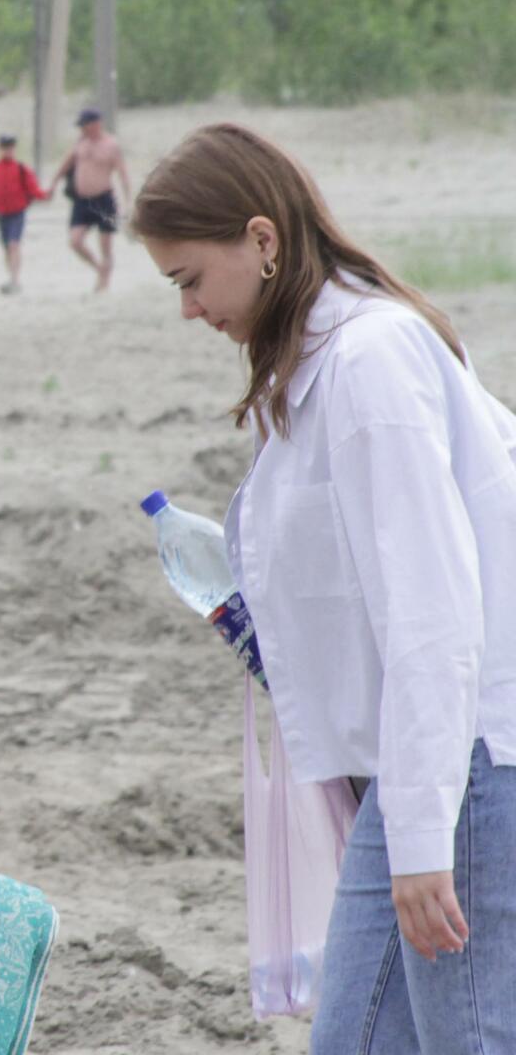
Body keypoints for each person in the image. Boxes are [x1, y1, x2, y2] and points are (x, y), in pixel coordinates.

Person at [132, 122, 516, 1054]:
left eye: (190, 279)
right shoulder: (326, 362)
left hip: (464, 762)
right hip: (420, 766)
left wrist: (421, 836)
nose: (188, 308)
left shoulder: (370, 361)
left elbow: (433, 611)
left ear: (262, 240)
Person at [51, 107, 132, 292]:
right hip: (82, 201)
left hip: (103, 199)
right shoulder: (80, 143)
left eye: (85, 125)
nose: (82, 129)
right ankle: (99, 269)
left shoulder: (111, 145)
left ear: (96, 124)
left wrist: (128, 200)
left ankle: (104, 283)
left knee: (106, 246)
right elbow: (65, 165)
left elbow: (123, 173)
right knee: (75, 241)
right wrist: (53, 184)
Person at [0, 132, 48, 294]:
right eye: (4, 147)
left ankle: (15, 280)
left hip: (17, 213)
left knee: (14, 244)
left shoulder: (21, 169)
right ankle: (11, 277)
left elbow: (33, 189)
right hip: (1, 214)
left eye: (10, 147)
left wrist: (45, 195)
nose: (7, 151)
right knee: (6, 247)